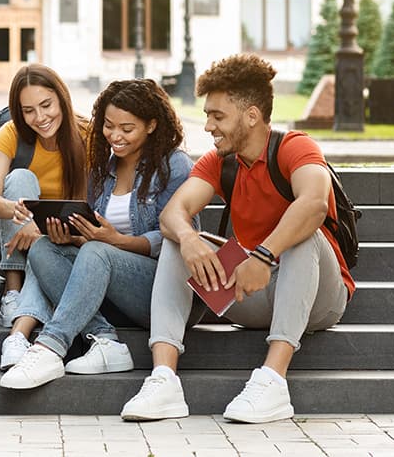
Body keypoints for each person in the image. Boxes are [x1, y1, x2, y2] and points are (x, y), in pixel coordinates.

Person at [120, 54, 355, 423]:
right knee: (177, 240)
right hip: (251, 293)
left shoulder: (296, 147)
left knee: (303, 234)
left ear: (251, 116)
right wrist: (190, 238)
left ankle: (273, 381)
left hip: (318, 298)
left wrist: (262, 256)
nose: (209, 126)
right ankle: (163, 380)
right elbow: (172, 214)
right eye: (208, 115)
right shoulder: (219, 161)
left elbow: (312, 204)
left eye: (218, 116)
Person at [0, 79, 194, 389]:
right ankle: (105, 340)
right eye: (108, 125)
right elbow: (94, 231)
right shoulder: (104, 169)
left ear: (152, 125)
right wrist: (74, 235)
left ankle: (51, 345)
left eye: (126, 129)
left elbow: (178, 238)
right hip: (105, 288)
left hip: (159, 291)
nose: (115, 136)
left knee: (97, 251)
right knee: (43, 249)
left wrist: (118, 241)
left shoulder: (175, 166)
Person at [0, 63, 88, 370]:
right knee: (21, 179)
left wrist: (41, 231)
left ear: (62, 99)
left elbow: (90, 205)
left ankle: (18, 337)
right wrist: (22, 216)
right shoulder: (11, 132)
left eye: (46, 105)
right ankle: (12, 290)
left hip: (56, 239)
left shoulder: (87, 135)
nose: (39, 118)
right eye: (28, 110)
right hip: (1, 240)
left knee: (45, 252)